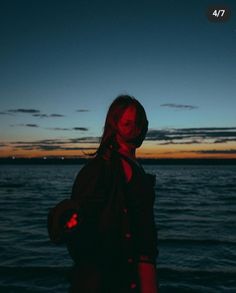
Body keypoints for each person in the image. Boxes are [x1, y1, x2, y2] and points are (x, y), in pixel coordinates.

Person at [66, 95, 158, 293]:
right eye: (127, 123)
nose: (135, 128)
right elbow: (81, 226)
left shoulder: (134, 165)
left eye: (139, 123)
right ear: (114, 125)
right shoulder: (101, 168)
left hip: (141, 265)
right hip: (117, 272)